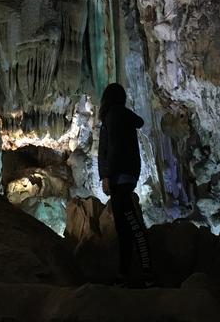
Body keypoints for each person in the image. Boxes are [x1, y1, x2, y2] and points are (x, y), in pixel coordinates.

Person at [97, 83, 153, 287]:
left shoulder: (113, 116)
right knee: (124, 227)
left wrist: (106, 176)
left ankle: (147, 273)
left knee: (132, 226)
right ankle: (124, 274)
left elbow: (112, 149)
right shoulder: (122, 115)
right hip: (126, 176)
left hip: (119, 178)